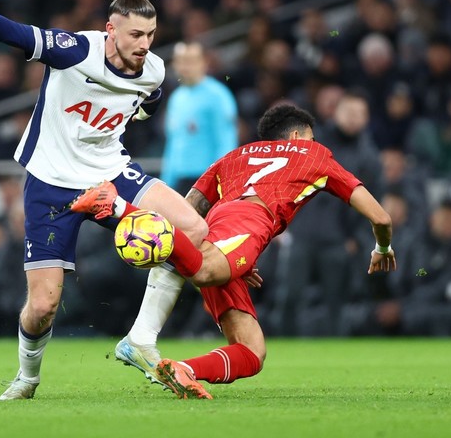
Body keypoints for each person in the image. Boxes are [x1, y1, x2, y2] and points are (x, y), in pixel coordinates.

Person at [0, 0, 208, 400]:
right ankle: (27, 376)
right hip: (52, 183)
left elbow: (148, 101)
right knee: (42, 307)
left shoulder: (154, 68)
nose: (145, 43)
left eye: (151, 34)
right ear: (110, 29)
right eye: (136, 34)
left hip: (110, 172)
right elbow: (8, 30)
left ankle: (140, 339)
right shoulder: (76, 50)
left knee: (193, 228)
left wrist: (134, 121)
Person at [72, 104, 397, 399]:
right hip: (250, 221)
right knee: (204, 270)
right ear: (298, 136)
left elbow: (187, 210)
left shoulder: (234, 156)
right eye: (310, 138)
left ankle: (185, 369)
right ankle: (115, 205)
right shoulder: (315, 155)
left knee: (252, 352)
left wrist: (229, 254)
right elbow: (381, 217)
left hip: (221, 228)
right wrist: (382, 247)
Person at [161, 41, 238, 195]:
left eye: (190, 61)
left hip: (206, 181)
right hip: (179, 181)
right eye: (180, 61)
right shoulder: (176, 98)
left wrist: (221, 183)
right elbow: (172, 144)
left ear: (203, 62)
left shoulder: (218, 95)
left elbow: (226, 141)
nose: (185, 66)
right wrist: (166, 183)